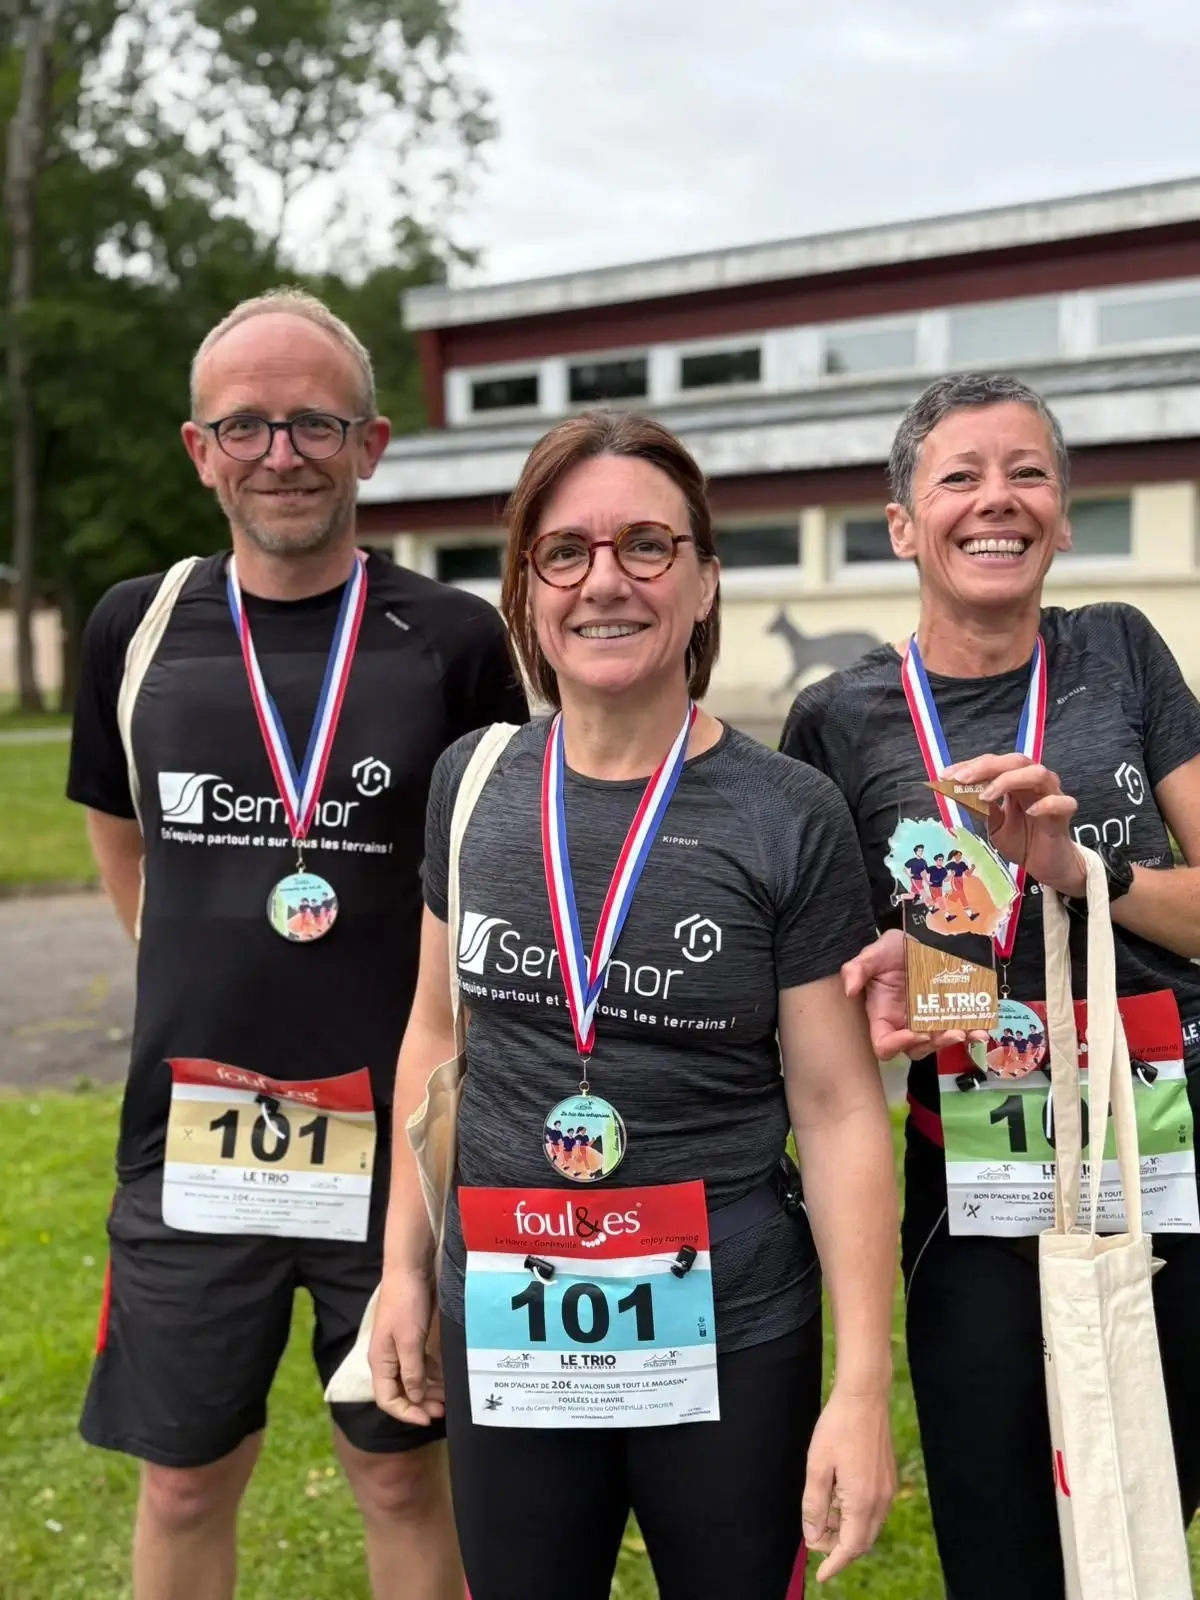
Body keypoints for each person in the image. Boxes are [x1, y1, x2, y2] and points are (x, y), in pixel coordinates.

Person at [369, 410, 898, 1599]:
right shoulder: (472, 784)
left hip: (733, 1332)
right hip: (509, 1313)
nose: (604, 580)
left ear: (705, 581)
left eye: (647, 546)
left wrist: (861, 1388)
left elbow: (837, 1107)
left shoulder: (785, 810)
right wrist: (404, 1269)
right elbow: (434, 1036)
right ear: (526, 587)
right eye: (566, 551)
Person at [66, 287, 527, 1600]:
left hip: (395, 1145)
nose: (283, 453)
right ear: (198, 448)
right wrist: (193, 963)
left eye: (313, 422)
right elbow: (121, 829)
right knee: (186, 1476)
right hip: (193, 1140)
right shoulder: (136, 627)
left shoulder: (450, 638)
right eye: (247, 425)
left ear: (371, 442)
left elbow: (487, 863)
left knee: (396, 1465)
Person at [780, 372, 1200, 1600]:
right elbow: (833, 984)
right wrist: (876, 992)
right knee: (1002, 1537)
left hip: (1156, 1161)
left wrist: (1080, 867)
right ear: (905, 526)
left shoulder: (1118, 649)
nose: (996, 500)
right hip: (970, 1188)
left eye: (1027, 473)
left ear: (1063, 516)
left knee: (1140, 1533)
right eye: (958, 475)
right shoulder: (839, 718)